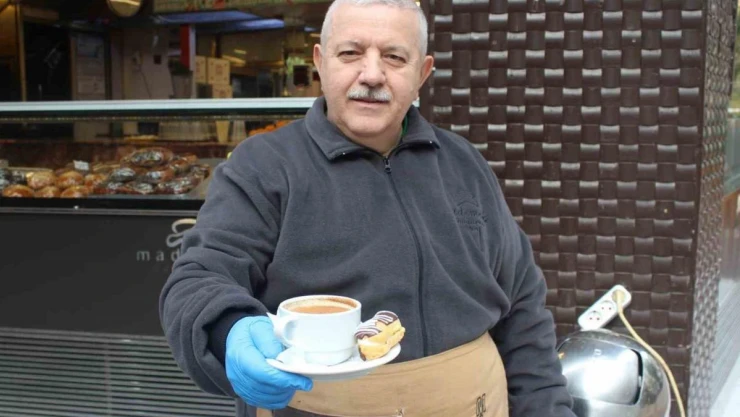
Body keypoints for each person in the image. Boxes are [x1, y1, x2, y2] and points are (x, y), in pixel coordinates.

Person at [159, 1, 576, 416]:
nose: (372, 75)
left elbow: (522, 307)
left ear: (422, 73)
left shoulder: (464, 164)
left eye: (394, 57)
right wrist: (228, 328)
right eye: (350, 53)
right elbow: (200, 277)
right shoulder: (264, 166)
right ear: (320, 62)